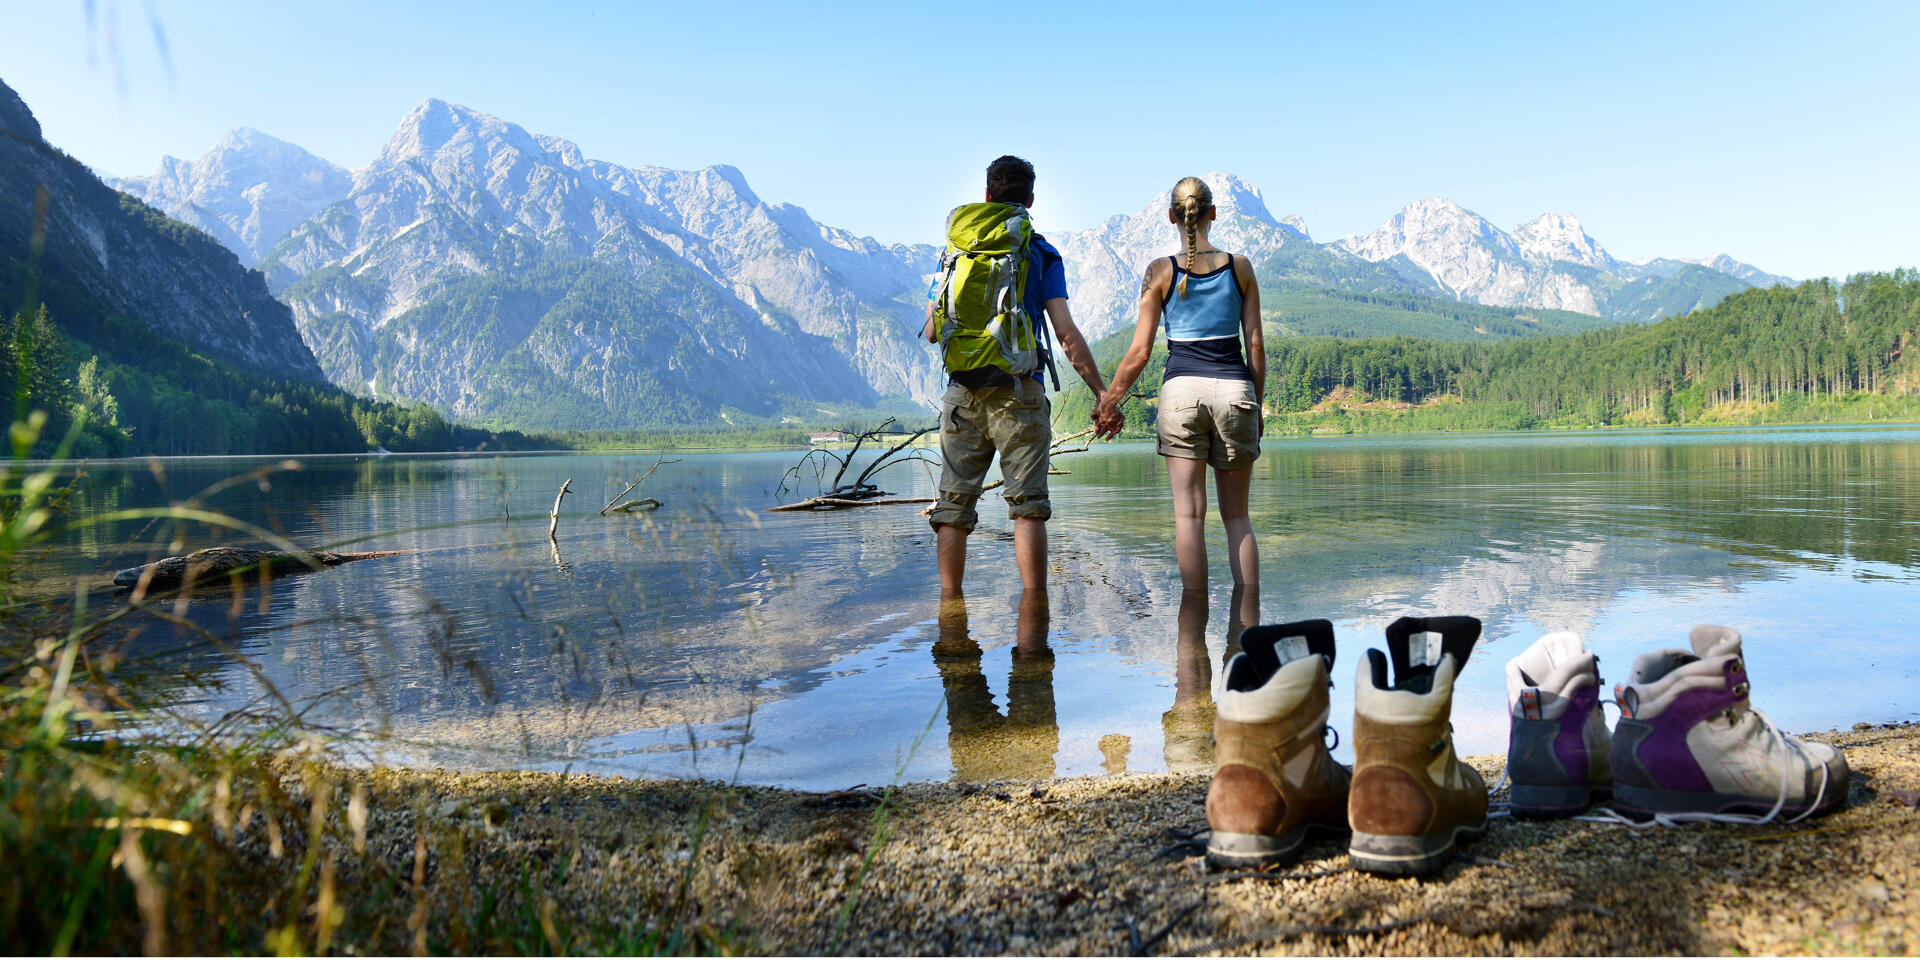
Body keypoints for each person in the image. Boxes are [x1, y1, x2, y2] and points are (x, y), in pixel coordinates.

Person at [923, 155, 1118, 595]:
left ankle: (950, 611)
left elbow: (934, 331)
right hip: (1019, 396)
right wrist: (1102, 393)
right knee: (1028, 509)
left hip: (962, 395)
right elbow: (1065, 332)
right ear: (1030, 199)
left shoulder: (953, 252)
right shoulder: (1041, 252)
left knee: (953, 508)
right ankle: (1034, 616)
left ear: (988, 194)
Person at [1095, 177, 1266, 593]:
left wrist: (1108, 403)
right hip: (1235, 392)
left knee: (1188, 517)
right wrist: (1256, 407)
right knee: (1238, 518)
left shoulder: (1159, 271)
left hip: (1181, 396)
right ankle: (1247, 627)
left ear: (1172, 216)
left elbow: (1139, 352)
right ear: (1212, 213)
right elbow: (1255, 343)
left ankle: (1191, 638)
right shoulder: (1239, 267)